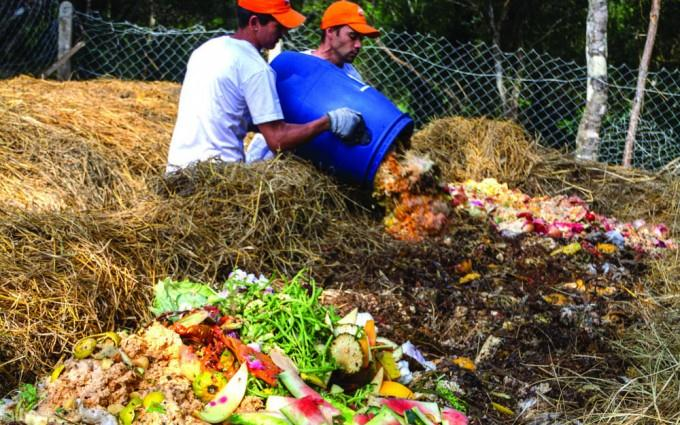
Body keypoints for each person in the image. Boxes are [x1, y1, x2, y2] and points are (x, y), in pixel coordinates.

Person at [166, 0, 365, 172]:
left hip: (179, 169)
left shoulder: (207, 49)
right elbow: (277, 140)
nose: (284, 33)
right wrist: (328, 122)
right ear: (254, 22)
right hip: (217, 175)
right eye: (278, 26)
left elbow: (227, 113)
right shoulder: (256, 68)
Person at [246, 0, 379, 162]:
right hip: (268, 165)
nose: (358, 45)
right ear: (330, 31)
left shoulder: (353, 79)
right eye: (353, 36)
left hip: (314, 169)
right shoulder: (295, 67)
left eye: (361, 39)